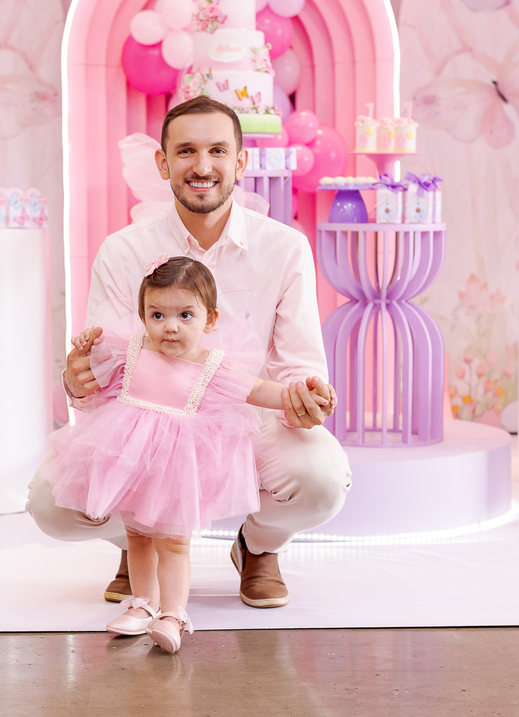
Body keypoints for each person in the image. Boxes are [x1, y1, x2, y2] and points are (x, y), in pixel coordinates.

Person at [28, 95, 351, 610]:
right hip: (150, 426)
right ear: (163, 163)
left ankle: (258, 547)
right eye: (186, 151)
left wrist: (305, 396)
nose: (202, 166)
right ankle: (137, 542)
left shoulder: (285, 248)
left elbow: (300, 364)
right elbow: (103, 367)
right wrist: (77, 379)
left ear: (240, 162)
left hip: (247, 425)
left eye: (217, 150)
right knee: (50, 505)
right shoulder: (124, 250)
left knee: (323, 480)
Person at [43, 256, 311, 652]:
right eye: (157, 315)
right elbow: (91, 381)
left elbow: (256, 390)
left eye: (185, 315)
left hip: (177, 468)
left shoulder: (210, 366)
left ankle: (174, 613)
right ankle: (143, 604)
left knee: (173, 542)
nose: (170, 327)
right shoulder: (130, 352)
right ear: (143, 316)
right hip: (134, 463)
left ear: (210, 319)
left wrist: (296, 392)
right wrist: (85, 350)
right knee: (137, 537)